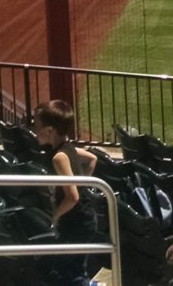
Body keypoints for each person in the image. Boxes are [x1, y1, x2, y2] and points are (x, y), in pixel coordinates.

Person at [35, 100, 101, 286]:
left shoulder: (59, 157)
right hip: (82, 219)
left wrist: (54, 216)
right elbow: (92, 158)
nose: (34, 130)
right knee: (69, 269)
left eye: (37, 126)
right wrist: (83, 183)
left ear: (49, 131)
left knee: (71, 273)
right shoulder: (67, 148)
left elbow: (72, 197)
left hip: (77, 222)